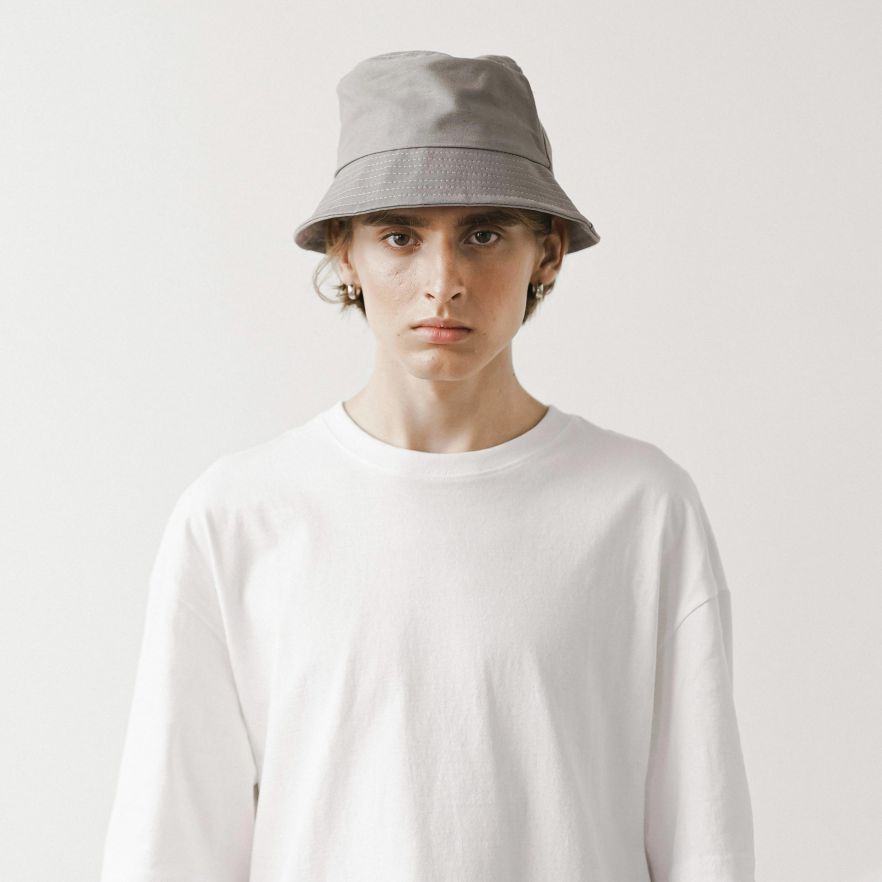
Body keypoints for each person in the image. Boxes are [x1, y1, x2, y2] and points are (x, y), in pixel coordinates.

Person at [100, 51, 756, 882]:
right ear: (345, 252)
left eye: (483, 234)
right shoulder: (240, 515)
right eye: (400, 236)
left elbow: (704, 838)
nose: (442, 282)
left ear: (548, 252)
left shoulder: (639, 505)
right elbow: (169, 845)